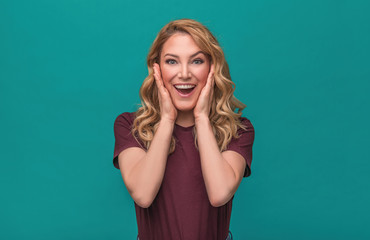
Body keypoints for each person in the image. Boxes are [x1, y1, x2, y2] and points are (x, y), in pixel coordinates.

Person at [113, 18, 255, 240]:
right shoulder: (130, 126)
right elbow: (142, 194)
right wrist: (168, 119)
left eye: (197, 61)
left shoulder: (238, 130)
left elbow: (219, 194)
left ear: (212, 68)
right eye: (172, 62)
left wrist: (201, 117)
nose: (185, 73)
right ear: (156, 68)